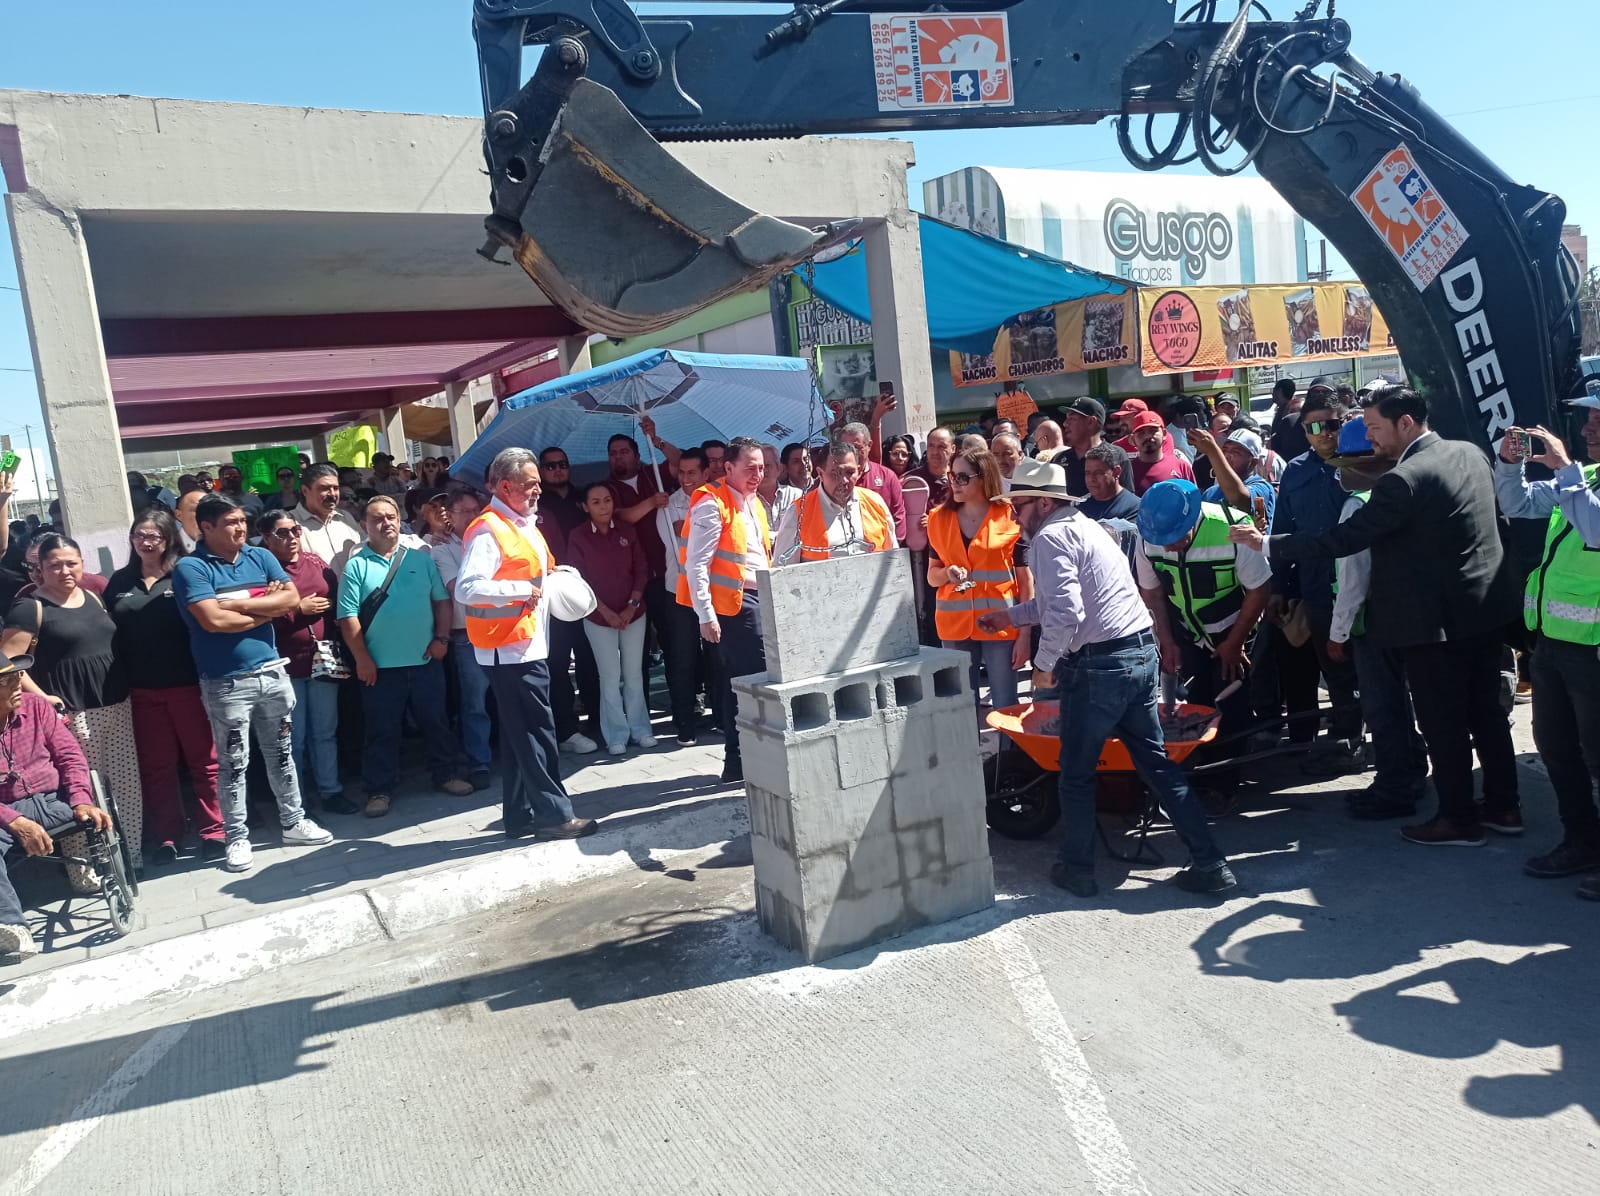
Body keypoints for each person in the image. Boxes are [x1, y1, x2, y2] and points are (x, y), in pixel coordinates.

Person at [1232, 386, 1522, 847]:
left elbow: (1341, 542)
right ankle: (1505, 807)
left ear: (1405, 423)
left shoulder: (1402, 480)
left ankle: (1458, 819)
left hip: (1432, 627)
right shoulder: (1469, 453)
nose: (1368, 438)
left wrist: (1266, 543)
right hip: (1484, 614)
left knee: (1442, 722)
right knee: (1486, 714)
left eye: (1373, 428)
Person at [975, 464, 1236, 898]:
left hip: (1100, 667)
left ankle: (1078, 869)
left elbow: (1066, 613)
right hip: (1136, 655)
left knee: (1075, 774)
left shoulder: (1050, 538)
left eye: (1019, 505)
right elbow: (1068, 601)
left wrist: (1043, 665)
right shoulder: (1087, 527)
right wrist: (1011, 616)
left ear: (1043, 502)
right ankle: (1210, 863)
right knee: (1156, 765)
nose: (1015, 516)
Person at [172, 494, 334, 871]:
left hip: (273, 672)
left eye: (242, 521)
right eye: (230, 522)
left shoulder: (260, 556)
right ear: (207, 527)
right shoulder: (191, 569)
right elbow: (213, 622)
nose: (240, 528)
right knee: (234, 764)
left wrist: (233, 604)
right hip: (226, 684)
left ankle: (293, 822)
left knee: (281, 754)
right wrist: (265, 607)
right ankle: (237, 837)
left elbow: (291, 597)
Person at [457, 448, 598, 840]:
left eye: (537, 483)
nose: (538, 490)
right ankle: (554, 816)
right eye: (530, 484)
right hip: (507, 648)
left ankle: (519, 816)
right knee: (537, 731)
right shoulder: (488, 528)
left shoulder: (524, 525)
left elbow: (541, 569)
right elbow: (468, 588)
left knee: (524, 732)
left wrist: (558, 574)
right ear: (505, 486)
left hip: (526, 643)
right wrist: (524, 590)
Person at [1494, 406, 1600, 894]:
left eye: (1599, 421)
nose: (1586, 429)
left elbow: (1596, 533)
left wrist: (1564, 469)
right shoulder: (1588, 476)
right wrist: (1509, 461)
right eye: (1587, 421)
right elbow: (1516, 503)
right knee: (1556, 747)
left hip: (1592, 650)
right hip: (1553, 642)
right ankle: (1581, 841)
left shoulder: (1579, 477)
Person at [1, 534, 145, 860]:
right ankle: (86, 866)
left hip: (116, 704)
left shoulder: (94, 597)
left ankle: (130, 855)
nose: (65, 570)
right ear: (40, 568)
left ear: (82, 564)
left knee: (126, 786)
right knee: (80, 791)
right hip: (72, 714)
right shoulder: (29, 607)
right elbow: (8, 665)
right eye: (55, 565)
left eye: (72, 563)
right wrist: (44, 698)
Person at [337, 497, 473, 817]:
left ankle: (447, 775)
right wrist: (363, 659)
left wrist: (442, 638)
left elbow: (441, 602)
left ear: (401, 520)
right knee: (381, 731)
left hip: (425, 660)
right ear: (364, 526)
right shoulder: (356, 565)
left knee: (437, 722)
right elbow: (348, 618)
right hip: (380, 668)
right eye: (378, 519)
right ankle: (379, 790)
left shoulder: (420, 559)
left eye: (392, 517)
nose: (387, 523)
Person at [105, 512, 226, 863]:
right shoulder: (119, 582)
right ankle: (167, 836)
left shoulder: (185, 573)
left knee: (204, 762)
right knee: (157, 767)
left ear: (169, 538)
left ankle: (214, 830)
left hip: (188, 685)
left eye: (154, 536)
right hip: (142, 692)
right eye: (139, 535)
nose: (146, 542)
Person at [1328, 417, 1430, 819]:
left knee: (1382, 707)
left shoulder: (1359, 504)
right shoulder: (1409, 490)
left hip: (1371, 623)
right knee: (1403, 702)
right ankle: (1411, 769)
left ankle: (1394, 788)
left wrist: (1338, 633)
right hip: (1410, 616)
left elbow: (1353, 578)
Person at [1137, 480, 1269, 775]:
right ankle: (1200, 767)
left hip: (1233, 627)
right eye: (1164, 539)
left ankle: (1227, 777)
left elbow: (1260, 590)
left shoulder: (1234, 527)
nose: (1168, 545)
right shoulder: (1148, 536)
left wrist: (1235, 643)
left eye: (1176, 537)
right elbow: (1153, 593)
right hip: (1187, 630)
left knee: (1231, 703)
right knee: (1197, 703)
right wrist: (1166, 641)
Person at [1263, 389, 1365, 757]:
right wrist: (1278, 587)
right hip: (1318, 588)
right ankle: (1348, 732)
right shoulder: (1296, 470)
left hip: (1368, 589)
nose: (1323, 433)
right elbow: (1283, 529)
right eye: (1313, 427)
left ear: (1346, 422)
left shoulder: (1365, 463)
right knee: (1334, 667)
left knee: (1377, 671)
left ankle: (1392, 743)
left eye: (1331, 424)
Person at [0, 654, 116, 958]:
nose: (17, 686)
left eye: (17, 677)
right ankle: (13, 928)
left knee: (94, 811)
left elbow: (70, 756)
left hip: (57, 800)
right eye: (6, 680)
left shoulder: (36, 707)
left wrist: (81, 798)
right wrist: (15, 820)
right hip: (7, 811)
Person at [680, 437, 771, 783]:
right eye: (750, 468)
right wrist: (705, 615)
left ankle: (740, 760)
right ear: (728, 467)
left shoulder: (753, 503)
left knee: (746, 683)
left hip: (759, 598)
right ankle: (739, 759)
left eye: (761, 467)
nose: (757, 474)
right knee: (748, 683)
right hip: (736, 606)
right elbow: (696, 564)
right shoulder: (711, 503)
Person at [257, 510, 356, 815]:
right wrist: (298, 609)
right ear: (266, 538)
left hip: (324, 660)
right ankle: (295, 801)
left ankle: (330, 790)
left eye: (294, 531)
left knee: (325, 731)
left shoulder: (315, 562)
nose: (291, 538)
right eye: (282, 533)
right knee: (293, 738)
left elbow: (339, 599)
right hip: (285, 666)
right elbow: (258, 617)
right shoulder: (261, 570)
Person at [927, 447, 1030, 711]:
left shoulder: (1011, 516)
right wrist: (947, 574)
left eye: (963, 477)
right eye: (952, 476)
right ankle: (968, 753)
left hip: (1002, 624)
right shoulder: (938, 518)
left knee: (1006, 701)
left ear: (983, 477)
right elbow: (932, 576)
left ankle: (1010, 753)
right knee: (961, 705)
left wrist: (1025, 634)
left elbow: (1025, 579)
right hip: (954, 625)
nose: (955, 483)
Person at [566, 484, 656, 756]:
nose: (603, 506)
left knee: (633, 674)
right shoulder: (578, 536)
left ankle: (641, 730)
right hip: (597, 616)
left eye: (606, 500)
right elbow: (578, 579)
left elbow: (640, 569)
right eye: (595, 502)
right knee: (609, 676)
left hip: (633, 613)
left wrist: (632, 605)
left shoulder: (627, 531)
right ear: (585, 506)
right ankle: (616, 734)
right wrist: (605, 611)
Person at [534, 448, 601, 756]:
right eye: (550, 466)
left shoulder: (583, 498)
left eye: (562, 464)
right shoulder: (534, 507)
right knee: (557, 665)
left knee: (591, 661)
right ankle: (567, 729)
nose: (557, 470)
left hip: (587, 593)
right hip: (551, 596)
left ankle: (598, 723)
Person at [431, 489, 497, 790]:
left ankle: (518, 754)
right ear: (450, 515)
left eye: (476, 509)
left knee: (510, 698)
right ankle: (479, 761)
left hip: (504, 631)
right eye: (465, 511)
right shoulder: (442, 549)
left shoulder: (496, 538)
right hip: (467, 636)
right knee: (474, 705)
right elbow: (461, 591)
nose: (473, 515)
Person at [657, 449, 715, 745]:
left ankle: (720, 717)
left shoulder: (718, 501)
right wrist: (692, 532)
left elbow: (714, 546)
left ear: (706, 473)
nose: (686, 478)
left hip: (711, 589)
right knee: (682, 659)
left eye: (693, 472)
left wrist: (688, 529)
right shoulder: (667, 506)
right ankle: (684, 724)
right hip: (678, 592)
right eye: (682, 472)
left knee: (716, 657)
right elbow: (679, 546)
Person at [772, 439, 897, 564]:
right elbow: (782, 567)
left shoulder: (875, 502)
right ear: (820, 473)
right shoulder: (798, 512)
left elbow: (893, 559)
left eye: (850, 472)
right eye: (835, 473)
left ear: (858, 471)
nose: (844, 480)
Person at [906, 428, 956, 647]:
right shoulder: (912, 481)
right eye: (932, 446)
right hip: (923, 562)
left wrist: (938, 521)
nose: (935, 452)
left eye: (942, 447)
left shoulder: (961, 480)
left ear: (953, 449)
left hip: (957, 559)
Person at [836, 422, 907, 542]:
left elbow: (898, 517)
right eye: (846, 447)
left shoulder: (887, 477)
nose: (851, 452)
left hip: (882, 551)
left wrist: (892, 549)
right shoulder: (832, 478)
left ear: (869, 445)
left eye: (857, 447)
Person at [1191, 426, 1278, 524]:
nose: (1227, 455)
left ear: (1253, 462)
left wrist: (1212, 450)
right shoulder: (1210, 493)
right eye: (1224, 450)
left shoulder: (1262, 488)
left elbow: (1239, 498)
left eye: (1236, 452)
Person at [294, 463, 365, 572]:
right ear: (305, 491)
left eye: (335, 488)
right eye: (324, 488)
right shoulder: (291, 523)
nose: (332, 494)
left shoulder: (346, 518)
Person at [1128, 412, 1196, 496]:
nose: (1147, 436)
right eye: (1141, 433)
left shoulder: (1181, 466)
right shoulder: (1128, 470)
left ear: (1164, 434)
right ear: (1132, 440)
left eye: (1152, 431)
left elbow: (1193, 499)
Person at [1051, 398, 1106, 495]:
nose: (1065, 424)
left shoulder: (1115, 456)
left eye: (1072, 418)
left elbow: (1124, 501)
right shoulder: (1058, 459)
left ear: (1091, 422)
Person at [1269, 377, 1315, 464]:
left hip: (1294, 460)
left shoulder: (1294, 409)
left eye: (1274, 390)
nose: (1272, 394)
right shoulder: (1282, 409)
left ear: (1279, 391)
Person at [758, 443, 803, 528]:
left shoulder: (796, 495)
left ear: (779, 468)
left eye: (767, 465)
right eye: (759, 467)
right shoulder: (747, 501)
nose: (763, 470)